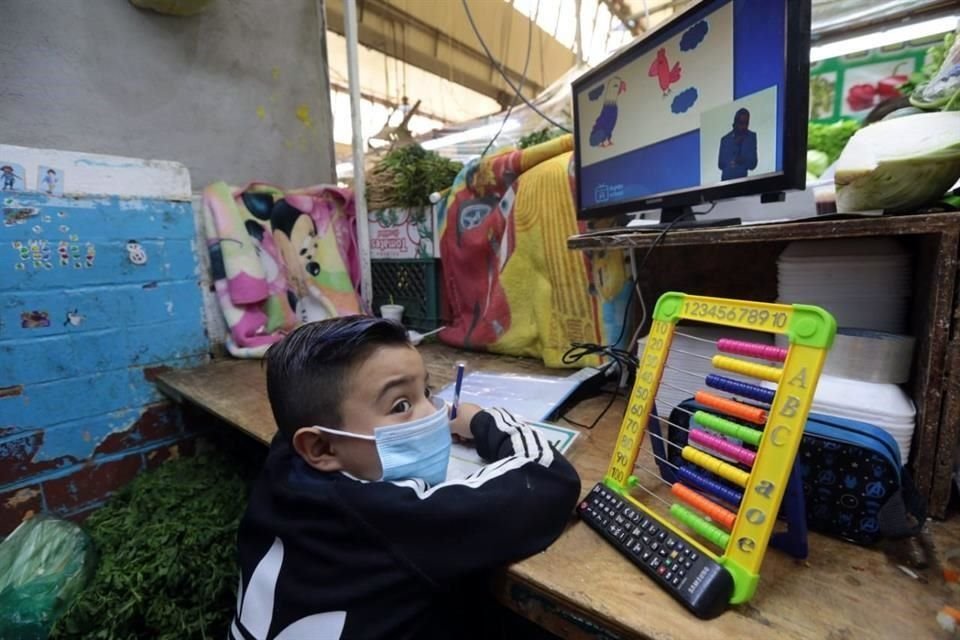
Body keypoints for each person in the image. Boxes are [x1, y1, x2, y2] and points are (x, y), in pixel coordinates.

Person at [232, 315, 581, 640]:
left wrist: (407, 407)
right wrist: (480, 420)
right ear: (321, 447)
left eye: (426, 392)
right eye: (400, 405)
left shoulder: (283, 464)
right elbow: (547, 477)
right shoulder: (390, 518)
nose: (436, 414)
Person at [717, 108, 758, 181]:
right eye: (741, 123)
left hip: (742, 183)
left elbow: (753, 164)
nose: (744, 127)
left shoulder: (751, 137)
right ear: (735, 123)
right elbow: (720, 164)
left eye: (746, 123)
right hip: (725, 183)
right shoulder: (725, 140)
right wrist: (731, 161)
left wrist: (743, 160)